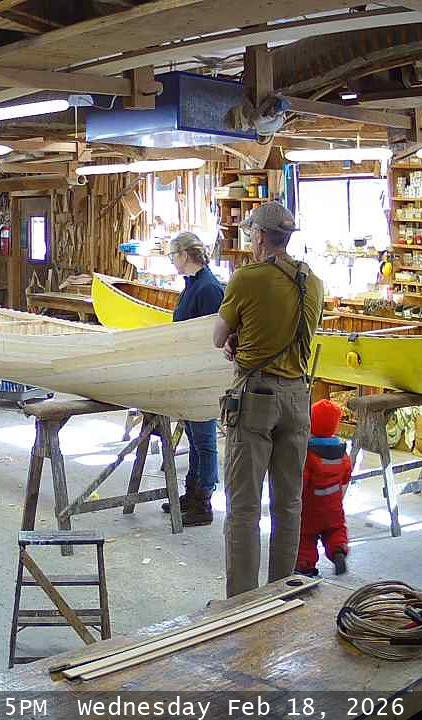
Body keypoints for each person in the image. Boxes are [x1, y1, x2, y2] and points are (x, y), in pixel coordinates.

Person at [211, 201, 324, 598]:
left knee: (244, 507)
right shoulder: (313, 282)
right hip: (298, 397)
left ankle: (243, 603)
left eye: (250, 234)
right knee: (288, 503)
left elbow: (218, 337)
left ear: (259, 236)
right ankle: (282, 594)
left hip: (256, 398)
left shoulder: (248, 278)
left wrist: (238, 341)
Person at [159, 232, 225, 526]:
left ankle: (204, 501)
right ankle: (192, 492)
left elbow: (213, 337)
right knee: (195, 437)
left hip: (202, 374)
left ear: (185, 255)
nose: (172, 260)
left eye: (173, 255)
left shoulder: (208, 288)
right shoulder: (192, 285)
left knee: (204, 439)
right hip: (188, 371)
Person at [295, 399, 351, 577]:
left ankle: (306, 567)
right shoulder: (342, 455)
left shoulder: (308, 455)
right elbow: (345, 479)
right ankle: (338, 551)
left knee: (305, 537)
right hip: (334, 507)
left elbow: (300, 484)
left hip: (310, 509)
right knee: (335, 530)